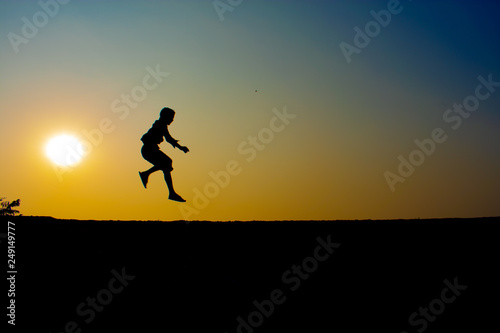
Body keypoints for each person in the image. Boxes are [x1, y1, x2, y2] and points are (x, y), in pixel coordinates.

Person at [139, 107, 189, 202]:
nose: (172, 120)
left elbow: (168, 138)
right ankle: (171, 193)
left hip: (149, 149)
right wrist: (181, 147)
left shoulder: (161, 125)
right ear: (166, 116)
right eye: (171, 117)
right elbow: (169, 139)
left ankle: (147, 175)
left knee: (166, 164)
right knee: (167, 163)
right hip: (148, 150)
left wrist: (180, 147)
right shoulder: (161, 125)